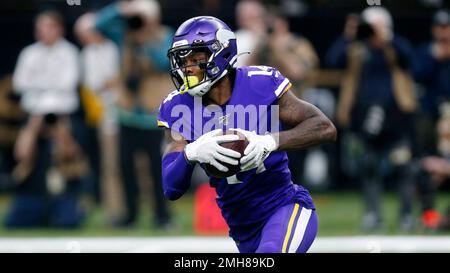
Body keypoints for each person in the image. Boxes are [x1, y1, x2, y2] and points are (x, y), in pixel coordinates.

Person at [157, 16, 336, 253]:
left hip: (284, 207)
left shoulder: (260, 84)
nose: (187, 68)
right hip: (242, 228)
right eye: (183, 60)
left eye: (195, 59)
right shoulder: (178, 106)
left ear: (219, 53)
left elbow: (324, 128)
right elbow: (171, 188)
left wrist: (269, 142)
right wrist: (191, 152)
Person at [95, 0, 173, 229]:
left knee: (156, 170)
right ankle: (130, 215)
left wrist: (147, 42)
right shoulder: (124, 35)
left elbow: (165, 63)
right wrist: (123, 9)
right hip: (127, 114)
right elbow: (98, 25)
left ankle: (162, 217)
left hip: (151, 117)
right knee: (126, 168)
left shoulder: (164, 36)